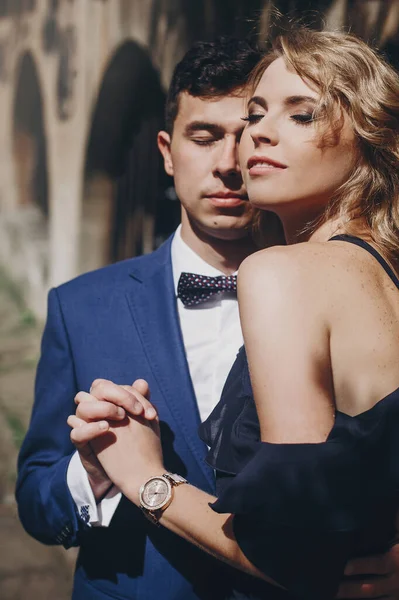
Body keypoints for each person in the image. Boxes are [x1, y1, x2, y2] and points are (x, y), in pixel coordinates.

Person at [68, 28, 399, 600]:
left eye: (303, 114)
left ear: (369, 135)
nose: (257, 134)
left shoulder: (280, 273)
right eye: (257, 113)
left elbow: (293, 547)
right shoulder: (384, 274)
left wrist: (148, 479)